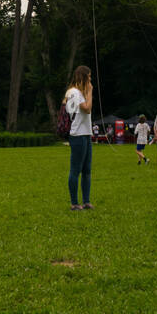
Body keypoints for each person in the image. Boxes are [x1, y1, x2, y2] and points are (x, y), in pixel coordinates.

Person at [64, 65, 94, 210]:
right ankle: (75, 203)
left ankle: (86, 201)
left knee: (87, 170)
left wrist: (87, 92)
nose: (90, 79)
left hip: (86, 134)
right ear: (83, 77)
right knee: (75, 169)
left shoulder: (80, 92)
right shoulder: (74, 93)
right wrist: (90, 92)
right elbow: (87, 109)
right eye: (89, 76)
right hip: (78, 135)